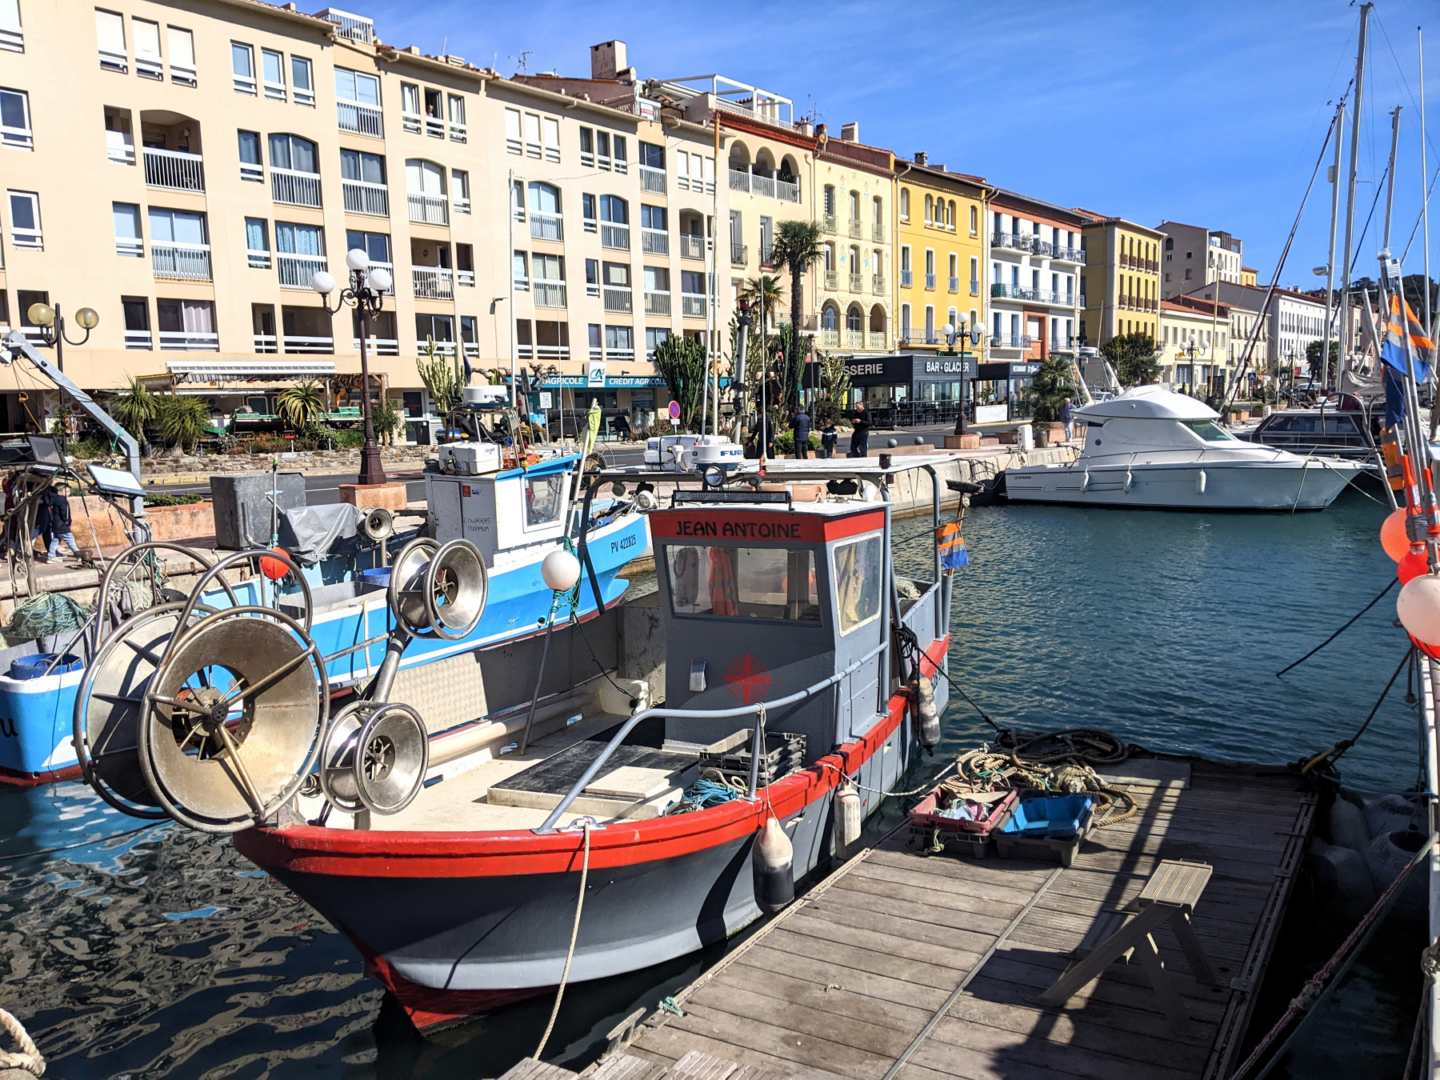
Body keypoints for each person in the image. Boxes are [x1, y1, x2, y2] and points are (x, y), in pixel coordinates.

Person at [38, 484, 80, 565]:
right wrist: (67, 521)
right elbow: (65, 513)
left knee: (55, 541)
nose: (69, 493)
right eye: (67, 491)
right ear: (60, 492)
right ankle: (78, 554)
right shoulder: (62, 500)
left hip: (56, 525)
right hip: (62, 525)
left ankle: (51, 557)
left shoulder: (55, 500)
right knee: (70, 540)